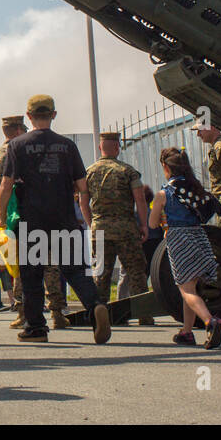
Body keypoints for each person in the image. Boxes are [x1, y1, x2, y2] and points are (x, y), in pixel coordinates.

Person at [0, 94, 110, 345]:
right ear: (53, 115)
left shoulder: (17, 145)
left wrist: (3, 216)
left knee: (32, 275)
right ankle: (96, 306)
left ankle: (36, 328)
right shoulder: (68, 146)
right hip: (63, 217)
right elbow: (82, 184)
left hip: (31, 219)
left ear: (29, 117)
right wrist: (79, 208)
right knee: (75, 270)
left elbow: (5, 185)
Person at [0, 115, 68, 330]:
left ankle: (23, 312)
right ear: (18, 130)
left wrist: (7, 212)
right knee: (49, 264)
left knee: (20, 265)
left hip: (13, 217)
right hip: (39, 212)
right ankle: (57, 312)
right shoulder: (26, 148)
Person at [147, 148, 221, 348]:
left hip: (178, 239)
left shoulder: (164, 193)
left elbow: (152, 224)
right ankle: (187, 332)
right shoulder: (194, 188)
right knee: (191, 286)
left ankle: (210, 321)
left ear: (166, 167)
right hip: (199, 236)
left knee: (186, 289)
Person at [86, 131, 154, 325]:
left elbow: (83, 200)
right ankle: (144, 314)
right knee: (135, 271)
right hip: (126, 229)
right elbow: (140, 199)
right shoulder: (129, 171)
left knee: (101, 273)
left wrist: (92, 223)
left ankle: (101, 315)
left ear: (100, 148)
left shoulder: (89, 172)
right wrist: (143, 224)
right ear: (117, 147)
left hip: (100, 228)